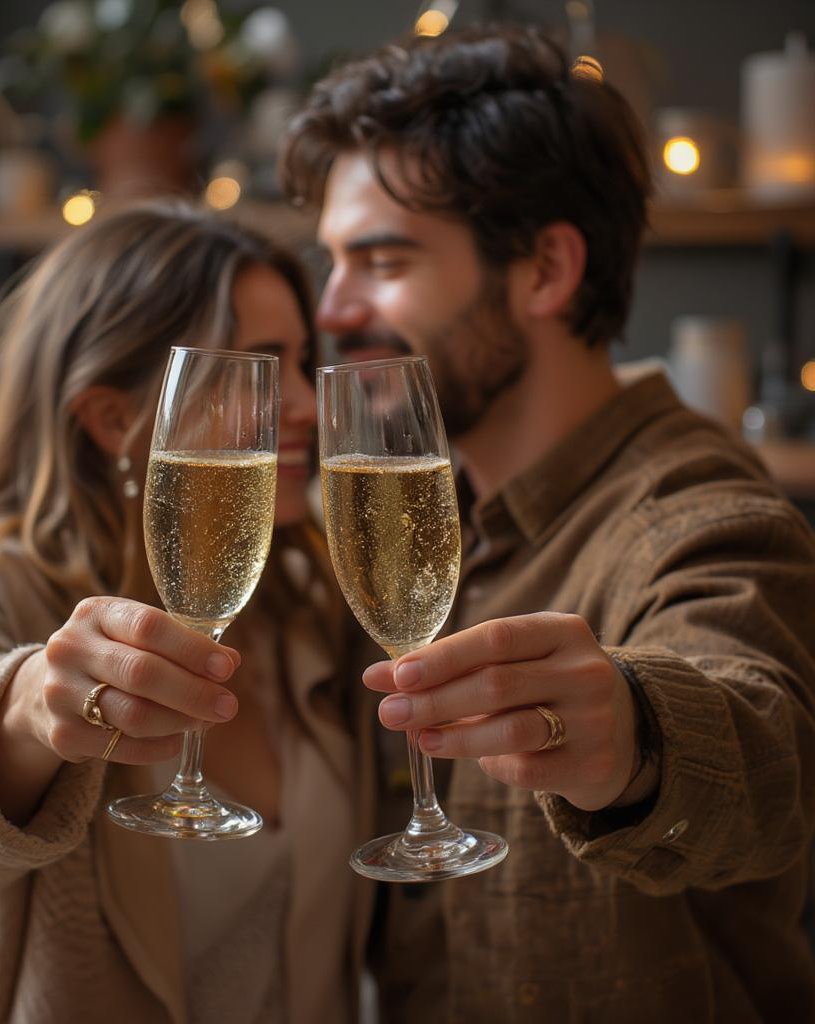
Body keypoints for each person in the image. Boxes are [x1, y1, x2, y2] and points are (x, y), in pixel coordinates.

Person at [280, 24, 815, 1023]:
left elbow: (769, 755)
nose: (335, 306)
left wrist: (634, 731)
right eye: (332, 264)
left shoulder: (701, 514)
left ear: (543, 271)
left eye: (381, 261)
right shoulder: (395, 520)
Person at [0, 203, 372, 1023]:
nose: (302, 404)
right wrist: (26, 706)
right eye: (259, 371)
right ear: (116, 418)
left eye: (302, 363)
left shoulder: (301, 602)